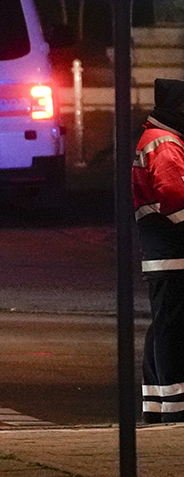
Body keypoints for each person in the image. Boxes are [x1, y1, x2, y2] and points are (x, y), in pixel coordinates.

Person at [137, 77, 184, 422]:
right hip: (173, 251)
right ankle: (175, 406)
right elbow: (174, 194)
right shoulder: (166, 143)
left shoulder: (157, 138)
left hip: (161, 252)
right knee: (172, 328)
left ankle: (157, 404)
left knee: (163, 325)